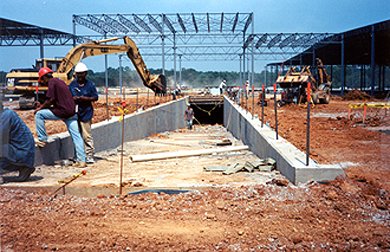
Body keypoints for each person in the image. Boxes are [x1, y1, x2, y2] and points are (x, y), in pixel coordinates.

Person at [34, 67, 87, 168]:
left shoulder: (52, 83)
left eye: (42, 79)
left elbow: (51, 100)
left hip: (63, 112)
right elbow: (56, 100)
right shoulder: (59, 82)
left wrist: (40, 107)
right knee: (77, 136)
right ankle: (81, 160)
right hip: (71, 112)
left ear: (45, 77)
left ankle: (42, 139)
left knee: (39, 115)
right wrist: (43, 104)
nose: (43, 82)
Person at [0, 91, 35, 183]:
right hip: (21, 151)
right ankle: (24, 167)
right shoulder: (5, 114)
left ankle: (24, 166)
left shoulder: (6, 116)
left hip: (23, 152)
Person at [69, 62, 98, 164]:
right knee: (77, 136)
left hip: (86, 113)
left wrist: (84, 98)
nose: (80, 76)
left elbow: (95, 97)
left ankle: (89, 155)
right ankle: (78, 155)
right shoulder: (72, 85)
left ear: (85, 73)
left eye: (82, 73)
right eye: (78, 73)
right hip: (75, 113)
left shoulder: (90, 85)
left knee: (86, 136)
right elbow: (68, 97)